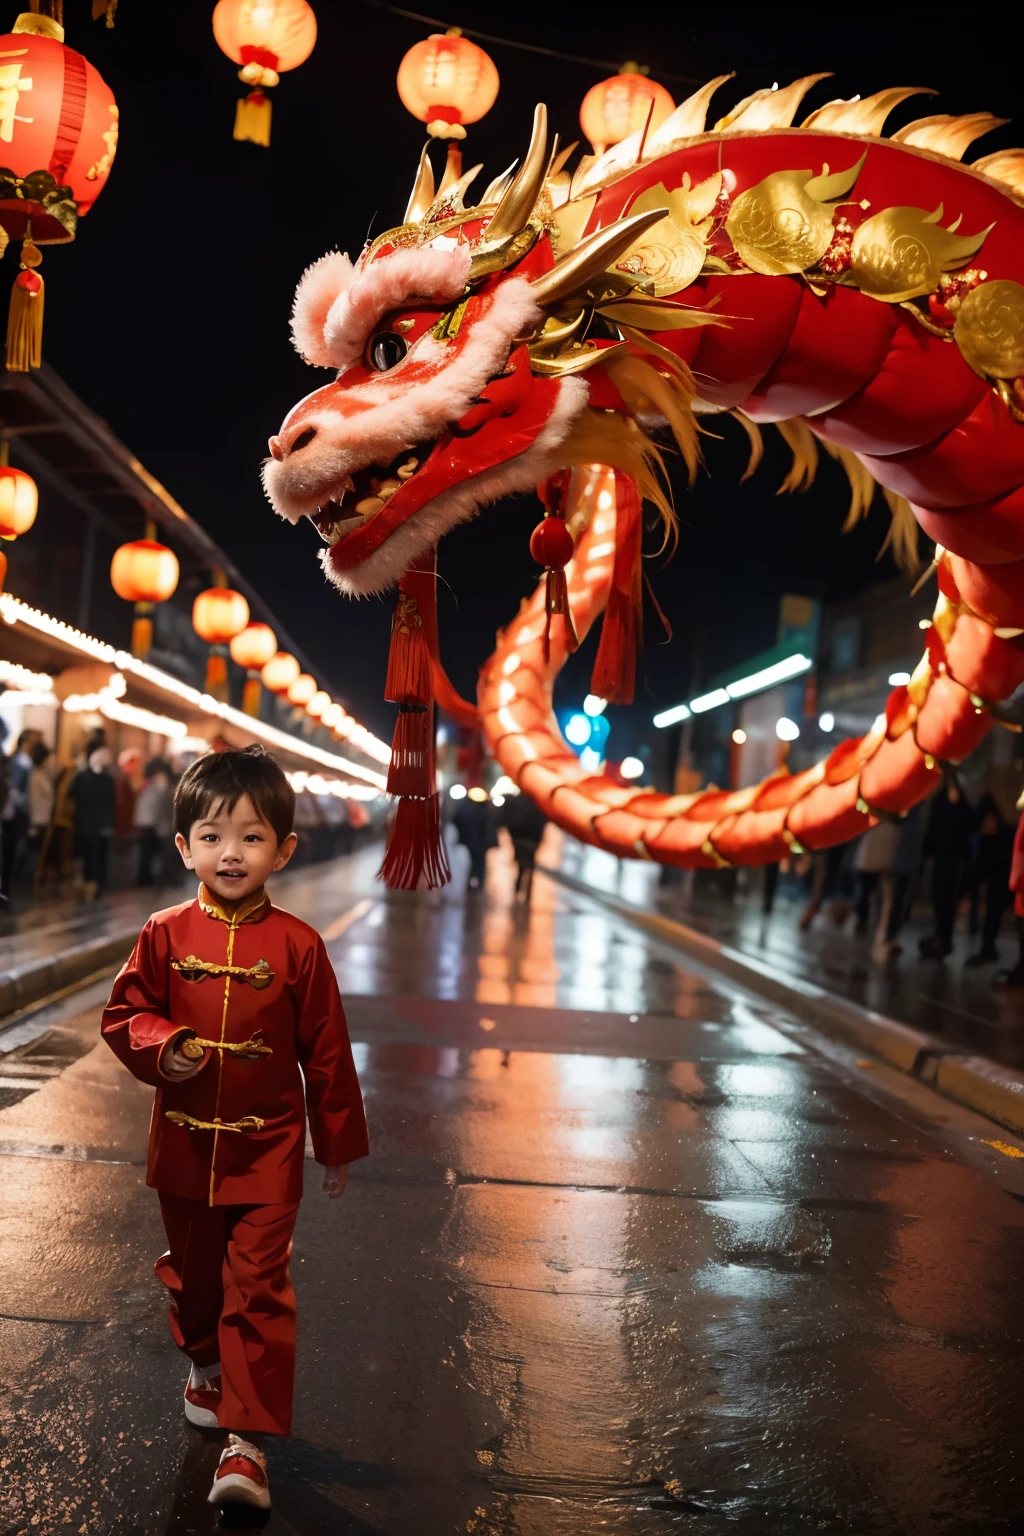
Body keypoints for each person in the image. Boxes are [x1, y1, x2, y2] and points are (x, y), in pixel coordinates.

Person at [100, 745, 368, 1514]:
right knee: (197, 1280)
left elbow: (328, 1052)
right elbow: (124, 1015)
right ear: (183, 845)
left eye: (252, 837)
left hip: (269, 1149)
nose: (231, 853)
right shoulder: (161, 933)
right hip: (182, 1145)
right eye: (213, 836)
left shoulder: (299, 947)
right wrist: (165, 1046)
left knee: (257, 1287)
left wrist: (336, 1138)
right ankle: (200, 1358)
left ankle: (245, 1445)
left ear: (284, 849)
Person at [918, 776, 973, 960]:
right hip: (942, 856)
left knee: (948, 896)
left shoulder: (959, 801)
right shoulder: (940, 799)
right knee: (939, 895)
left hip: (953, 858)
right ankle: (940, 934)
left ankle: (944, 936)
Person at [964, 792, 1015, 967]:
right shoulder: (992, 798)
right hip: (996, 860)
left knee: (995, 903)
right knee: (994, 903)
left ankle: (988, 945)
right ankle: (987, 945)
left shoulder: (998, 798)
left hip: (1000, 860)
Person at [68, 747, 116, 897]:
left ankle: (88, 884)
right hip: (102, 825)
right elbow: (112, 803)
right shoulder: (108, 779)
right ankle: (98, 885)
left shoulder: (81, 777)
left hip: (84, 824)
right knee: (100, 857)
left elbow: (71, 798)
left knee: (86, 856)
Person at [1, 727, 41, 898]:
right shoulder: (19, 761)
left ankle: (7, 890)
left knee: (12, 851)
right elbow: (15, 790)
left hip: (14, 813)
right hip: (11, 812)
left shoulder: (22, 761)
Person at [500, 790, 547, 902]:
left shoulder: (519, 802)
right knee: (529, 866)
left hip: (521, 839)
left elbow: (509, 819)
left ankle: (518, 890)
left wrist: (514, 836)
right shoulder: (538, 804)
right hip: (532, 840)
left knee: (521, 866)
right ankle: (527, 894)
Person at [134, 758, 175, 886]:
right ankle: (148, 880)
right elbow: (159, 808)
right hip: (152, 826)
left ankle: (148, 879)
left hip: (149, 825)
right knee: (151, 855)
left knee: (150, 855)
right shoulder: (156, 787)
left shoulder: (148, 786)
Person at [452, 789, 498, 891]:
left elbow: (456, 820)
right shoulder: (486, 810)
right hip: (479, 843)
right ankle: (478, 883)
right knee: (479, 863)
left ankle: (471, 882)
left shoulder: (464, 808)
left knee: (471, 863)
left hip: (469, 841)